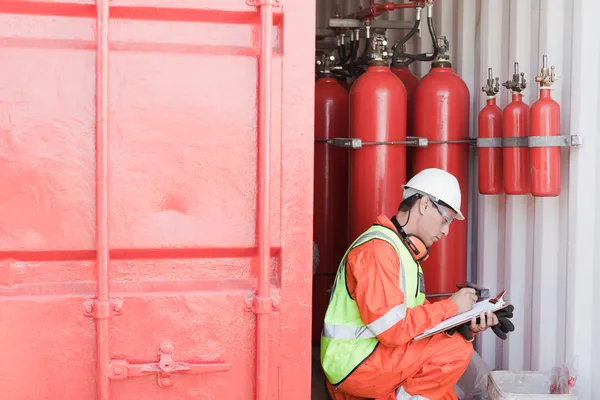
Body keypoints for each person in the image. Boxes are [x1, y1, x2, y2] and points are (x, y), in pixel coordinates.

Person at [320, 168, 514, 400]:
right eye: (446, 219)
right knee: (455, 350)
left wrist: (463, 323)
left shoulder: (403, 253)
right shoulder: (378, 251)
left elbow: (416, 325)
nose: (445, 231)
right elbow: (393, 330)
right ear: (424, 204)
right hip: (353, 363)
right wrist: (451, 306)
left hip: (373, 357)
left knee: (445, 391)